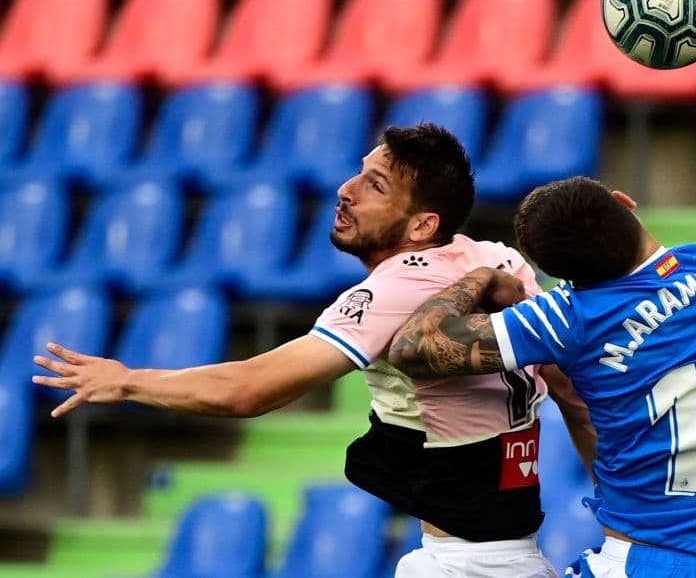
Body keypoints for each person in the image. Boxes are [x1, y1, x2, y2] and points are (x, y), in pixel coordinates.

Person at [31, 124, 567, 578]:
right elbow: (567, 385)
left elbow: (247, 391)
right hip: (502, 552)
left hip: (467, 566)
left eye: (374, 185)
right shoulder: (501, 260)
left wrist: (126, 381)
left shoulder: (401, 288)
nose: (346, 189)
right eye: (359, 171)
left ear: (422, 225)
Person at [388, 176, 696, 578]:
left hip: (649, 564)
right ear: (625, 201)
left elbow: (412, 347)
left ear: (561, 276)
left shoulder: (571, 316)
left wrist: (483, 278)